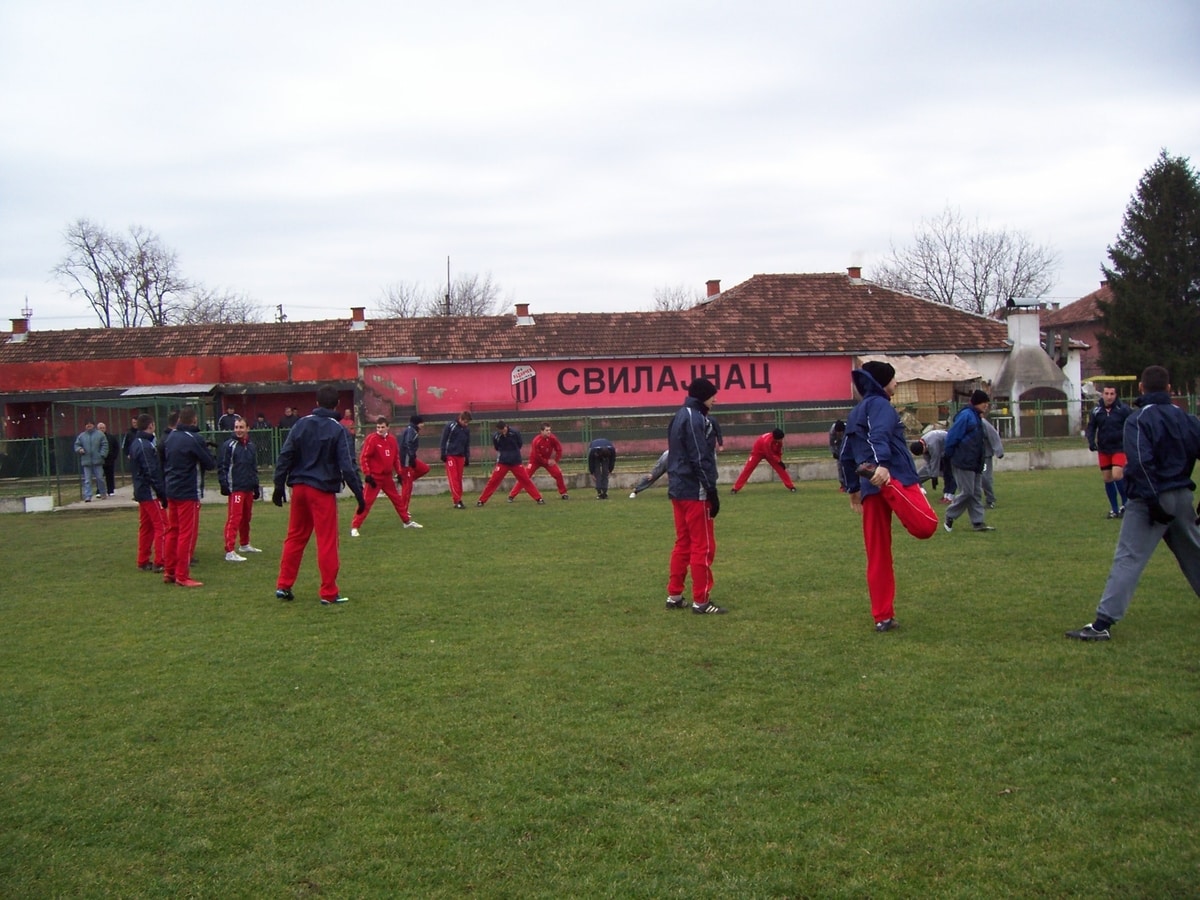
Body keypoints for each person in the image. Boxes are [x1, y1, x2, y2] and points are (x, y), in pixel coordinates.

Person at [1066, 365, 1200, 641]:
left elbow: (1139, 463)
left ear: (1141, 388)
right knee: (1194, 554)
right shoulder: (1188, 418)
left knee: (1128, 558)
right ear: (1169, 389)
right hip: (1183, 496)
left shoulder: (1139, 420)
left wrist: (1152, 503)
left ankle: (1102, 624)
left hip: (1151, 498)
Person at [839, 361, 939, 632]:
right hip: (891, 479)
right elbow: (878, 434)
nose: (897, 384)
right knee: (926, 525)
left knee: (878, 554)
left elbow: (846, 452)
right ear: (883, 382)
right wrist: (881, 466)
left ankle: (883, 617)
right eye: (895, 380)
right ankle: (884, 483)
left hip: (870, 487)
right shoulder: (881, 406)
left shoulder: (856, 411)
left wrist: (852, 488)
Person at [273, 385, 365, 605]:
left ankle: (284, 585)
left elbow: (285, 455)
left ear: (316, 403)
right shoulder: (338, 429)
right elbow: (347, 466)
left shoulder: (300, 424)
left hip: (299, 488)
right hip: (322, 490)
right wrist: (360, 496)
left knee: (295, 536)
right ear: (337, 405)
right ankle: (328, 591)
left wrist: (278, 485)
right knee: (326, 540)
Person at [665, 377, 724, 614]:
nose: (716, 400)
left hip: (678, 489)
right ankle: (702, 600)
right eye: (712, 396)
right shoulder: (694, 418)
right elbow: (700, 456)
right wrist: (711, 489)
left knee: (683, 543)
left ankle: (675, 594)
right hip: (694, 491)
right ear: (703, 397)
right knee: (703, 546)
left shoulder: (680, 415)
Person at [162, 406, 216, 588]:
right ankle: (182, 575)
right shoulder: (194, 439)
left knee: (172, 531)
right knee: (186, 533)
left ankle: (169, 571)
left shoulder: (171, 437)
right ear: (194, 420)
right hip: (187, 491)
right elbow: (209, 464)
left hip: (171, 488)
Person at [942, 390, 995, 533]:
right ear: (978, 402)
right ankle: (950, 515)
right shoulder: (966, 416)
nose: (986, 406)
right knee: (967, 492)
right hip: (964, 460)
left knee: (976, 492)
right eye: (985, 403)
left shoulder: (976, 417)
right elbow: (953, 436)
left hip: (975, 461)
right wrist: (949, 454)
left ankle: (978, 522)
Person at [350, 416, 404, 536]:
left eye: (382, 427)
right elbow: (364, 457)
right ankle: (355, 526)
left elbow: (396, 458)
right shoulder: (372, 439)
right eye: (378, 427)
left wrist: (399, 473)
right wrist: (368, 474)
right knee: (366, 502)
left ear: (388, 428)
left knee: (397, 499)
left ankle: (406, 521)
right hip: (375, 477)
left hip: (387, 477)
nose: (380, 429)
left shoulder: (392, 440)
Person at [218, 416, 262, 562]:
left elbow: (253, 468)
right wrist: (224, 484)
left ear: (247, 428)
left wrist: (256, 486)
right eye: (236, 427)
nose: (238, 430)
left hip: (248, 487)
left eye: (241, 427)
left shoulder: (251, 446)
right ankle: (229, 550)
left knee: (246, 518)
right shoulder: (229, 446)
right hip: (236, 488)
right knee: (234, 518)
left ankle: (245, 544)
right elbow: (223, 466)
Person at [128, 413, 167, 572]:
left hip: (141, 490)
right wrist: (161, 492)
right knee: (163, 526)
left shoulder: (136, 443)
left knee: (146, 526)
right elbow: (151, 471)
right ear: (151, 425)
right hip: (149, 491)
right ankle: (161, 560)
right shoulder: (145, 445)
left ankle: (143, 560)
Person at [1086, 384, 1132, 519]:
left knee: (1117, 475)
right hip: (1104, 449)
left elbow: (1132, 423)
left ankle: (1126, 504)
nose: (1109, 397)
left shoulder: (1123, 409)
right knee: (1107, 479)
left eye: (1112, 394)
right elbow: (1091, 427)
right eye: (1106, 393)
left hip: (1119, 448)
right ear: (1102, 394)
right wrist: (1091, 441)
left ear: (1116, 395)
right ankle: (1114, 509)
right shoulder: (1096, 410)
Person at [478, 422, 544, 505]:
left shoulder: (514, 433)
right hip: (503, 462)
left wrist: (513, 453)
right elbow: (497, 447)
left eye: (504, 429)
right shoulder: (496, 436)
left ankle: (538, 498)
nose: (503, 431)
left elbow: (519, 444)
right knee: (493, 481)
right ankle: (482, 500)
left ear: (506, 427)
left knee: (525, 480)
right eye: (501, 430)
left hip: (515, 462)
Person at [510, 422, 569, 501]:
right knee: (525, 476)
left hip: (547, 460)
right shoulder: (536, 441)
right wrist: (546, 461)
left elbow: (559, 449)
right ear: (542, 431)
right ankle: (512, 495)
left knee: (558, 473)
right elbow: (537, 456)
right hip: (535, 461)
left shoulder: (553, 438)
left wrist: (555, 460)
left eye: (549, 430)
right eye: (547, 430)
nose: (549, 432)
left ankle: (563, 493)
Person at [730, 428, 796, 493]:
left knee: (780, 468)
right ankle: (735, 488)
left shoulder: (779, 441)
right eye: (780, 439)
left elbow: (778, 452)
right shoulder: (767, 441)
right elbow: (769, 454)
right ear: (776, 438)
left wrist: (780, 461)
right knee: (748, 469)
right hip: (758, 452)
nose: (781, 440)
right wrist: (778, 461)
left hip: (771, 453)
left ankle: (791, 486)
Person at [397, 414, 429, 528]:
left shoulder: (411, 430)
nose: (423, 425)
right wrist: (411, 457)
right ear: (417, 423)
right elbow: (407, 444)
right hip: (406, 461)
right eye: (422, 422)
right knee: (408, 487)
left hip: (410, 459)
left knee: (425, 468)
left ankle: (405, 479)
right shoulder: (411, 431)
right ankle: (403, 510)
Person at [910, 429, 956, 504]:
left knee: (950, 474)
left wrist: (934, 477)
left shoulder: (932, 444)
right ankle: (946, 494)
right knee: (922, 474)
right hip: (943, 452)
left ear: (923, 448)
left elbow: (935, 460)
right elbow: (928, 463)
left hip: (952, 450)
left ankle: (949, 496)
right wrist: (932, 474)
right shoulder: (923, 442)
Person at [440, 411, 473, 509]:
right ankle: (458, 500)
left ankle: (457, 500)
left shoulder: (466, 430)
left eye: (467, 423)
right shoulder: (450, 426)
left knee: (458, 478)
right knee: (453, 478)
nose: (466, 424)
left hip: (461, 456)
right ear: (460, 419)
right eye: (465, 422)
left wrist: (467, 457)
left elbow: (467, 444)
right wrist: (443, 453)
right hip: (450, 455)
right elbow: (444, 440)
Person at [74, 420, 108, 502]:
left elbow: (105, 444)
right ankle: (88, 496)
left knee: (100, 478)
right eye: (87, 425)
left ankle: (103, 492)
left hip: (98, 460)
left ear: (93, 425)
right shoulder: (81, 436)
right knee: (87, 480)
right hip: (86, 461)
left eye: (90, 424)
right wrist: (80, 449)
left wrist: (102, 454)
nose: (89, 426)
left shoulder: (100, 434)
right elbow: (76, 445)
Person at [980, 416, 1004, 508]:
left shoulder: (983, 422)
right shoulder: (965, 422)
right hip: (972, 456)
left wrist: (999, 451)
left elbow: (993, 435)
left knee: (985, 478)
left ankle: (990, 500)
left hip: (985, 455)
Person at [97, 421, 120, 496]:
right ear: (97, 429)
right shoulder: (95, 438)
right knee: (99, 476)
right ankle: (99, 491)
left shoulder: (111, 437)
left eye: (103, 428)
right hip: (99, 460)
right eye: (100, 428)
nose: (102, 429)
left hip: (110, 460)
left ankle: (111, 490)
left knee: (110, 475)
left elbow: (116, 447)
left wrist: (114, 457)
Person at [830, 420, 848, 491]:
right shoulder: (832, 432)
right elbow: (831, 443)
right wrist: (834, 452)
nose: (839, 434)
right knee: (840, 467)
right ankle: (843, 485)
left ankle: (850, 484)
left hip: (847, 447)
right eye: (838, 432)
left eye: (841, 432)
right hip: (838, 448)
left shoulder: (848, 429)